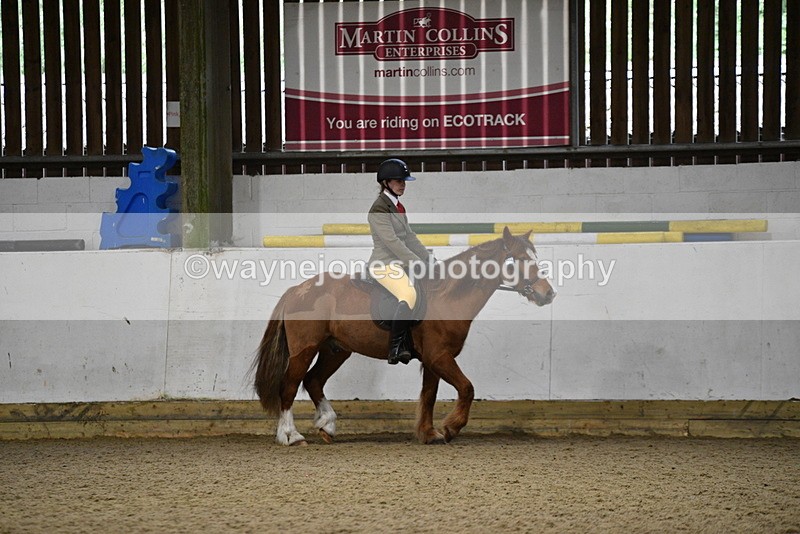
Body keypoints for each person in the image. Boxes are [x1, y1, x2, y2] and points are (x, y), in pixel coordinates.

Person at [368, 158, 431, 365]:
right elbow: (392, 242)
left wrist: (426, 258)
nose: (403, 185)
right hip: (384, 265)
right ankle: (395, 347)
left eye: (404, 181)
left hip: (401, 264)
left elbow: (409, 236)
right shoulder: (379, 209)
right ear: (386, 183)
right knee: (408, 293)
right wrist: (415, 261)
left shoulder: (398, 206)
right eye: (398, 181)